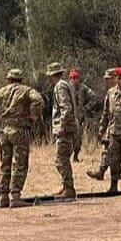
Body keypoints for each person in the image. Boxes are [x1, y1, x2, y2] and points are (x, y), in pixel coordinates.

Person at [0, 69, 43, 208]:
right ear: (21, 79)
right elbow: (38, 99)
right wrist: (34, 116)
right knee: (19, 164)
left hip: (4, 131)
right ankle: (15, 197)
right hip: (19, 131)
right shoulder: (27, 90)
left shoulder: (3, 91)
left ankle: (3, 197)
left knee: (5, 164)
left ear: (9, 79)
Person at [46, 63, 79, 199]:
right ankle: (66, 187)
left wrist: (63, 127)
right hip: (68, 128)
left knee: (61, 160)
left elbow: (66, 108)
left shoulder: (60, 86)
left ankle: (69, 188)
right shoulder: (65, 85)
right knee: (63, 159)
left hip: (64, 129)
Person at [87, 68, 117, 180]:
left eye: (108, 79)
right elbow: (105, 113)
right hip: (112, 128)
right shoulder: (110, 93)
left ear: (115, 78)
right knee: (107, 150)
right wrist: (101, 130)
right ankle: (101, 171)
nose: (106, 81)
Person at [69, 69, 98, 162]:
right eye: (72, 78)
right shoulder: (67, 88)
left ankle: (75, 156)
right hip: (68, 116)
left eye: (75, 78)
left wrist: (86, 108)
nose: (73, 80)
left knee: (78, 138)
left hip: (79, 117)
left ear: (79, 78)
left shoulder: (84, 88)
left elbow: (94, 98)